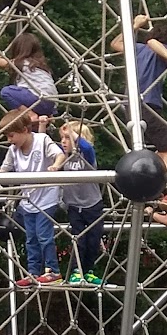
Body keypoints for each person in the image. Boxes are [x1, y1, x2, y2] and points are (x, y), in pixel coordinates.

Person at [109, 12, 167, 187]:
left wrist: (135, 25)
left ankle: (151, 184)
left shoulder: (138, 48)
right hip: (148, 104)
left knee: (154, 148)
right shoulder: (166, 50)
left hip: (131, 105)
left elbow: (116, 43)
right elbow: (151, 43)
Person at [0, 109, 63, 285]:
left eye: (11, 136)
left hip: (47, 197)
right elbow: (4, 169)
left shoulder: (41, 140)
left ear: (25, 130)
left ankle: (53, 271)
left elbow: (59, 154)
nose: (9, 140)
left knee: (43, 235)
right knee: (31, 238)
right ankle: (33, 272)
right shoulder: (13, 150)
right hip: (28, 201)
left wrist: (55, 166)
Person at [52, 119, 105, 285]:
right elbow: (50, 147)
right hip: (74, 205)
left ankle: (88, 270)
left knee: (93, 240)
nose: (63, 142)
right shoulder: (64, 156)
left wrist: (73, 134)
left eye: (67, 138)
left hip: (92, 204)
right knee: (78, 239)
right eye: (62, 138)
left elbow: (87, 147)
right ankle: (77, 270)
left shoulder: (87, 156)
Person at [0, 30, 58, 124]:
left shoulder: (22, 63)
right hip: (50, 105)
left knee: (6, 92)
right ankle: (44, 117)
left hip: (38, 100)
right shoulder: (42, 66)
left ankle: (30, 114)